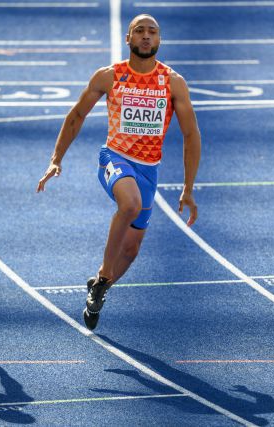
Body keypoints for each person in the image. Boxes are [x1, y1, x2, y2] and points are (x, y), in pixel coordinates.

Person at [37, 14, 201, 330]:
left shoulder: (173, 82)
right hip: (115, 158)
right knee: (129, 205)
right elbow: (77, 115)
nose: (146, 36)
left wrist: (189, 187)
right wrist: (56, 158)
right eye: (139, 31)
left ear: (159, 41)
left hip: (149, 170)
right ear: (128, 39)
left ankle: (100, 287)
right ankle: (103, 273)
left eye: (152, 32)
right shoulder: (109, 76)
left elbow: (191, 135)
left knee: (132, 248)